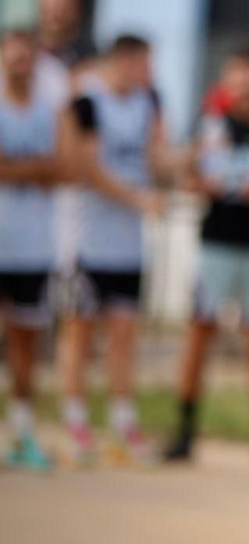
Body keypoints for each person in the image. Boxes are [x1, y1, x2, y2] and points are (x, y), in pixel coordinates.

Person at [164, 45, 249, 466]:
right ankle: (184, 430)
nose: (246, 90)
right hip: (218, 242)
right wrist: (195, 172)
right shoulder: (212, 128)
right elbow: (184, 176)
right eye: (238, 81)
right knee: (200, 333)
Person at [58, 33, 167, 466]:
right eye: (144, 63)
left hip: (127, 243)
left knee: (123, 333)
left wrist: (187, 163)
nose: (150, 73)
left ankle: (123, 423)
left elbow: (155, 160)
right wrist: (139, 199)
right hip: (85, 239)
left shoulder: (149, 103)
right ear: (123, 61)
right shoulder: (88, 102)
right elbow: (86, 167)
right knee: (79, 333)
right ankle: (76, 423)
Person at [0, 28, 65, 471]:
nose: (21, 61)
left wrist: (16, 168)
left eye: (28, 55)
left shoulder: (48, 112)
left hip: (34, 248)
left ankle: (22, 434)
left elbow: (62, 167)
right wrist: (34, 170)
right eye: (14, 54)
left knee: (27, 345)